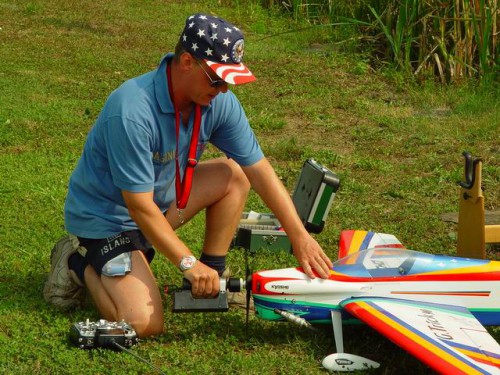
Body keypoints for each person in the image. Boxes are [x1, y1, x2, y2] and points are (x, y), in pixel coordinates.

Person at [43, 13, 332, 338]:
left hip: (158, 207)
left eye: (229, 81)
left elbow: (259, 169)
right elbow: (138, 207)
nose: (223, 90)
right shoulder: (132, 111)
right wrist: (187, 263)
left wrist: (299, 235)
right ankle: (77, 263)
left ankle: (215, 280)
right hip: (109, 222)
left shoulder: (216, 102)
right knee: (142, 323)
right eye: (216, 80)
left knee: (233, 174)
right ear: (185, 62)